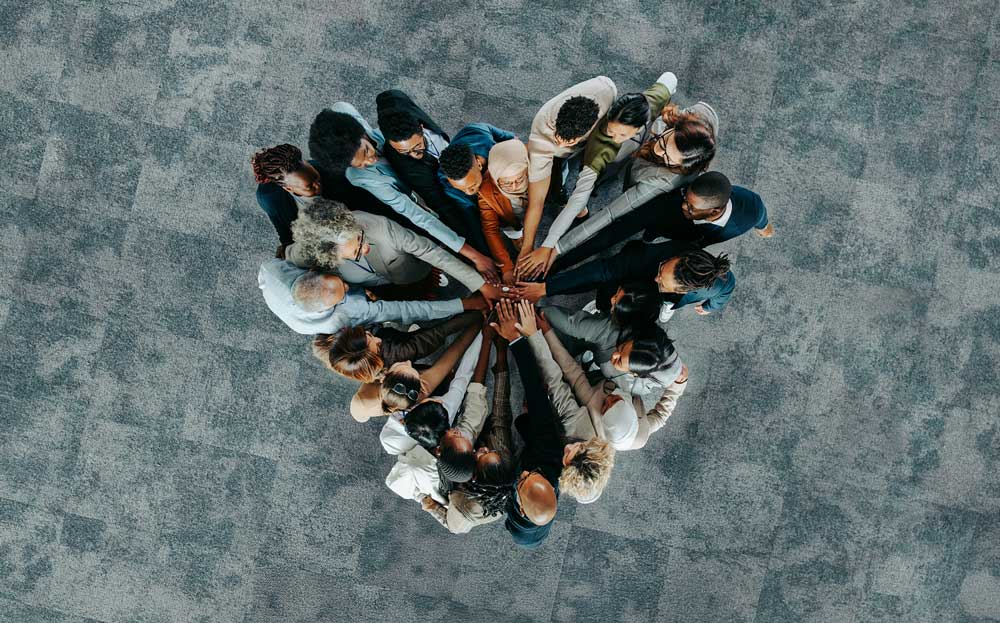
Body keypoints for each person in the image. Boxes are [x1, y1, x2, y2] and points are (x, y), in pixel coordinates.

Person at [307, 103, 500, 282]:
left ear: (362, 134)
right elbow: (416, 215)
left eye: (366, 151)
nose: (370, 161)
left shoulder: (362, 127)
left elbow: (341, 106)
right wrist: (475, 256)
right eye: (360, 164)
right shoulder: (361, 177)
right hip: (419, 203)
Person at [517, 71, 678, 277]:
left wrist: (669, 91)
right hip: (603, 161)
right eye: (611, 132)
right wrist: (547, 244)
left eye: (621, 134)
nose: (615, 137)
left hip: (635, 147)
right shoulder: (600, 148)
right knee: (596, 179)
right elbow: (575, 199)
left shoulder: (617, 94)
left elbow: (669, 78)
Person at [541, 100, 720, 273]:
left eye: (667, 156)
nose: (658, 150)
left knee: (611, 231)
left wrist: (557, 248)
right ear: (676, 125)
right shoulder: (697, 115)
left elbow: (610, 214)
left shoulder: (667, 181)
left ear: (682, 165)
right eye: (665, 141)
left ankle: (556, 266)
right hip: (644, 162)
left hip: (652, 195)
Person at [284, 198, 503, 302]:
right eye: (357, 251)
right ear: (327, 256)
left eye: (360, 239)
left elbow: (431, 252)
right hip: (380, 288)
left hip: (411, 271)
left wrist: (481, 284)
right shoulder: (307, 251)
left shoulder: (381, 228)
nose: (366, 247)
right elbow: (288, 257)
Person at [538, 312, 690, 451]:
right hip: (610, 381)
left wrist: (546, 331)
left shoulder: (591, 407)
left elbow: (571, 370)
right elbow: (660, 416)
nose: (609, 397)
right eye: (616, 400)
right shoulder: (641, 434)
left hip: (585, 390)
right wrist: (677, 386)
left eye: (605, 406)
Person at [515, 303, 618, 502]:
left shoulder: (585, 473)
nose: (567, 450)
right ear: (588, 448)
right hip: (595, 390)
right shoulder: (583, 431)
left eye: (567, 457)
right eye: (574, 449)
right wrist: (536, 333)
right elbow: (558, 381)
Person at [517, 76, 619, 275]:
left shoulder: (607, 94)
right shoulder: (542, 135)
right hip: (545, 149)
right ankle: (559, 190)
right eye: (559, 138)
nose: (562, 144)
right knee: (546, 189)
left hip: (592, 142)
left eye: (570, 141)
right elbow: (536, 201)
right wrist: (527, 247)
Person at [421, 334, 517, 533]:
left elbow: (453, 527)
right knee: (495, 416)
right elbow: (501, 406)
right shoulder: (501, 454)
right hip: (485, 450)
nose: (482, 448)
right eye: (488, 451)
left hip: (457, 494)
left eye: (480, 454)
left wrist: (432, 507)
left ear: (473, 475)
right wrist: (501, 351)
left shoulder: (461, 505)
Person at [382, 330, 490, 506]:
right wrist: (483, 335)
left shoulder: (392, 442)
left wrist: (422, 499)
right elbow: (465, 379)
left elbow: (394, 483)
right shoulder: (449, 414)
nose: (457, 432)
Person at [516, 240, 735, 322]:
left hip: (668, 299)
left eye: (662, 281)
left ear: (682, 290)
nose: (657, 276)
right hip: (635, 275)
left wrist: (708, 307)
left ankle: (669, 305)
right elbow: (601, 270)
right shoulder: (649, 259)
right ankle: (604, 306)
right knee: (611, 291)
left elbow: (724, 294)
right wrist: (547, 288)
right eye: (662, 269)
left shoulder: (721, 282)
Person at [257, 258, 485, 335]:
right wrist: (466, 304)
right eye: (343, 292)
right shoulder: (346, 314)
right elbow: (408, 310)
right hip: (348, 318)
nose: (348, 287)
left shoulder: (272, 270)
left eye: (342, 284)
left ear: (311, 271)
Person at [250, 144, 394, 255]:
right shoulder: (269, 197)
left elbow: (369, 205)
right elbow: (284, 229)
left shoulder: (333, 174)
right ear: (289, 189)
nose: (318, 185)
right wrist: (288, 248)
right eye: (309, 186)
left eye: (316, 177)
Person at [352, 321, 482, 423]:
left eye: (404, 365)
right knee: (443, 376)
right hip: (370, 407)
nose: (408, 362)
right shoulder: (422, 389)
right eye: (408, 365)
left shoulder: (370, 382)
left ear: (384, 376)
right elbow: (456, 350)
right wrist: (479, 323)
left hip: (386, 389)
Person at [311, 311, 480, 383]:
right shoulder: (402, 352)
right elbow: (440, 332)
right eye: (373, 342)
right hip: (415, 345)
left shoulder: (345, 358)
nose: (377, 339)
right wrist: (478, 312)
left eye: (367, 334)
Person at [375, 89, 456, 220]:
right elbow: (440, 202)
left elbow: (392, 98)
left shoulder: (408, 111)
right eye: (403, 151)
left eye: (417, 146)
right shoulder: (409, 167)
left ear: (422, 128)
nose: (413, 155)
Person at [436, 122, 518, 252]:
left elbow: (512, 139)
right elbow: (472, 219)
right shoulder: (446, 181)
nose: (468, 193)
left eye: (472, 186)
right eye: (462, 189)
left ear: (479, 164)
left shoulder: (480, 133)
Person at [476, 139, 531, 284]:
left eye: (519, 179)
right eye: (506, 183)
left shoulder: (538, 163)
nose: (514, 187)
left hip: (531, 206)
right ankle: (517, 235)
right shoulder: (485, 191)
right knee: (517, 236)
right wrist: (506, 268)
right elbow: (490, 229)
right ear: (495, 178)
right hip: (509, 219)